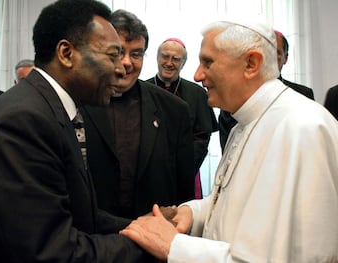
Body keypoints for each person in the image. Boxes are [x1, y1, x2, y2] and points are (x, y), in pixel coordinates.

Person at [120, 18, 338, 262]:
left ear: (251, 64)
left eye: (208, 62)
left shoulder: (303, 127)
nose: (197, 74)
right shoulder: (243, 123)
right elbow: (237, 204)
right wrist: (193, 213)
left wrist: (174, 246)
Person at [0, 0, 152, 262]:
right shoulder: (23, 122)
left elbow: (81, 214)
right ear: (66, 53)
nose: (121, 68)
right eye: (112, 55)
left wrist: (144, 227)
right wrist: (154, 246)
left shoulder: (49, 109)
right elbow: (53, 252)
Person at [80, 10, 195, 219]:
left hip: (153, 237)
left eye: (136, 54)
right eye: (117, 52)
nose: (126, 62)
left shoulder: (174, 110)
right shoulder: (77, 102)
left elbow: (183, 191)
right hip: (91, 238)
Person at [218, 30, 315, 151]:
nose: (269, 57)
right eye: (264, 52)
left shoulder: (303, 94)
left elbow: (309, 140)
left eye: (276, 52)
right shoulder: (235, 96)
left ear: (286, 58)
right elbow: (229, 146)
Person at [147, 38, 218, 198]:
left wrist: (181, 168)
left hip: (186, 171)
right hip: (149, 172)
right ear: (157, 58)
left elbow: (202, 137)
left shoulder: (197, 94)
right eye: (165, 56)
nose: (169, 63)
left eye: (176, 59)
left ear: (183, 63)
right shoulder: (142, 90)